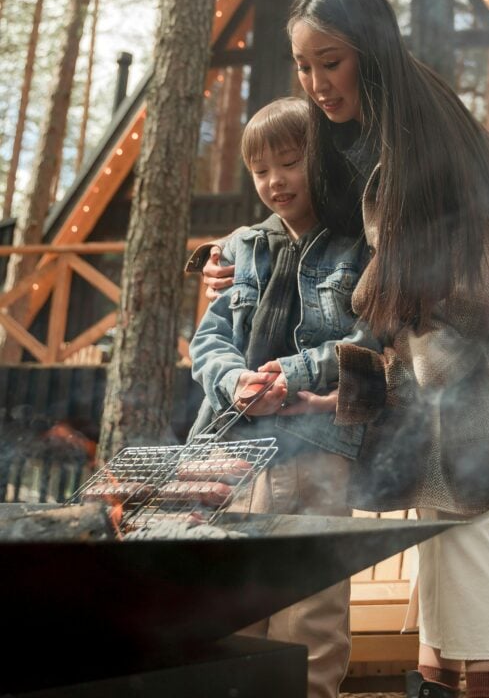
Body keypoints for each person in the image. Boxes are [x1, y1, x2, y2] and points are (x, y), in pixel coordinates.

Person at [204, 0, 489, 698]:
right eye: (303, 66)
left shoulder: (430, 147)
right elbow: (330, 248)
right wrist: (231, 264)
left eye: (329, 61)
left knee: (478, 611)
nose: (316, 83)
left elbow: (448, 315)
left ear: (368, 48)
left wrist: (338, 391)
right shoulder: (369, 135)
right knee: (444, 610)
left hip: (480, 403)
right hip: (436, 410)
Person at [187, 96, 381, 698]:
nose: (274, 181)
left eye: (290, 162)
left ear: (319, 160)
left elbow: (369, 338)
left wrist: (293, 373)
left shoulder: (359, 245)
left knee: (309, 606)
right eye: (260, 170)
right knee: (231, 602)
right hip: (230, 448)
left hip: (314, 443)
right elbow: (211, 337)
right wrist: (233, 380)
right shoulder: (242, 247)